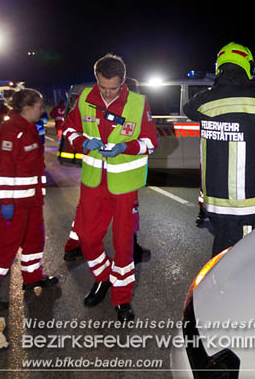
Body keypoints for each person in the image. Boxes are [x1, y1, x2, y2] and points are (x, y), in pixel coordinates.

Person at [61, 54, 158, 322]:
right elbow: (68, 130)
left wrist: (125, 147)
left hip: (124, 185)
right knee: (89, 239)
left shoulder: (138, 103)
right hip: (93, 182)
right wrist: (81, 142)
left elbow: (151, 141)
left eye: (112, 88)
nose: (106, 93)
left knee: (123, 244)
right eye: (102, 87)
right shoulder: (84, 98)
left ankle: (122, 298)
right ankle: (104, 278)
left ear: (123, 81)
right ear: (97, 79)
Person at [183, 42, 255, 257]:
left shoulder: (204, 100)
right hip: (245, 201)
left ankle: (216, 287)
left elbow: (189, 109)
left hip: (213, 198)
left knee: (221, 250)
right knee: (240, 258)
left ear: (219, 67)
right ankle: (222, 290)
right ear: (247, 67)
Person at [0, 89, 58, 314]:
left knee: (34, 240)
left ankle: (32, 277)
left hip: (31, 201)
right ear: (28, 107)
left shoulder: (27, 127)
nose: (43, 110)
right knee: (6, 248)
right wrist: (4, 204)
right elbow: (2, 170)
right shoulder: (11, 131)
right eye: (40, 106)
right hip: (15, 204)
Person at [62, 77, 151, 265]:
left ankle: (74, 246)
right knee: (119, 221)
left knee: (86, 216)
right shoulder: (99, 104)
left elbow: (147, 142)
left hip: (101, 175)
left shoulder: (133, 106)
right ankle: (124, 251)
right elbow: (75, 128)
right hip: (106, 177)